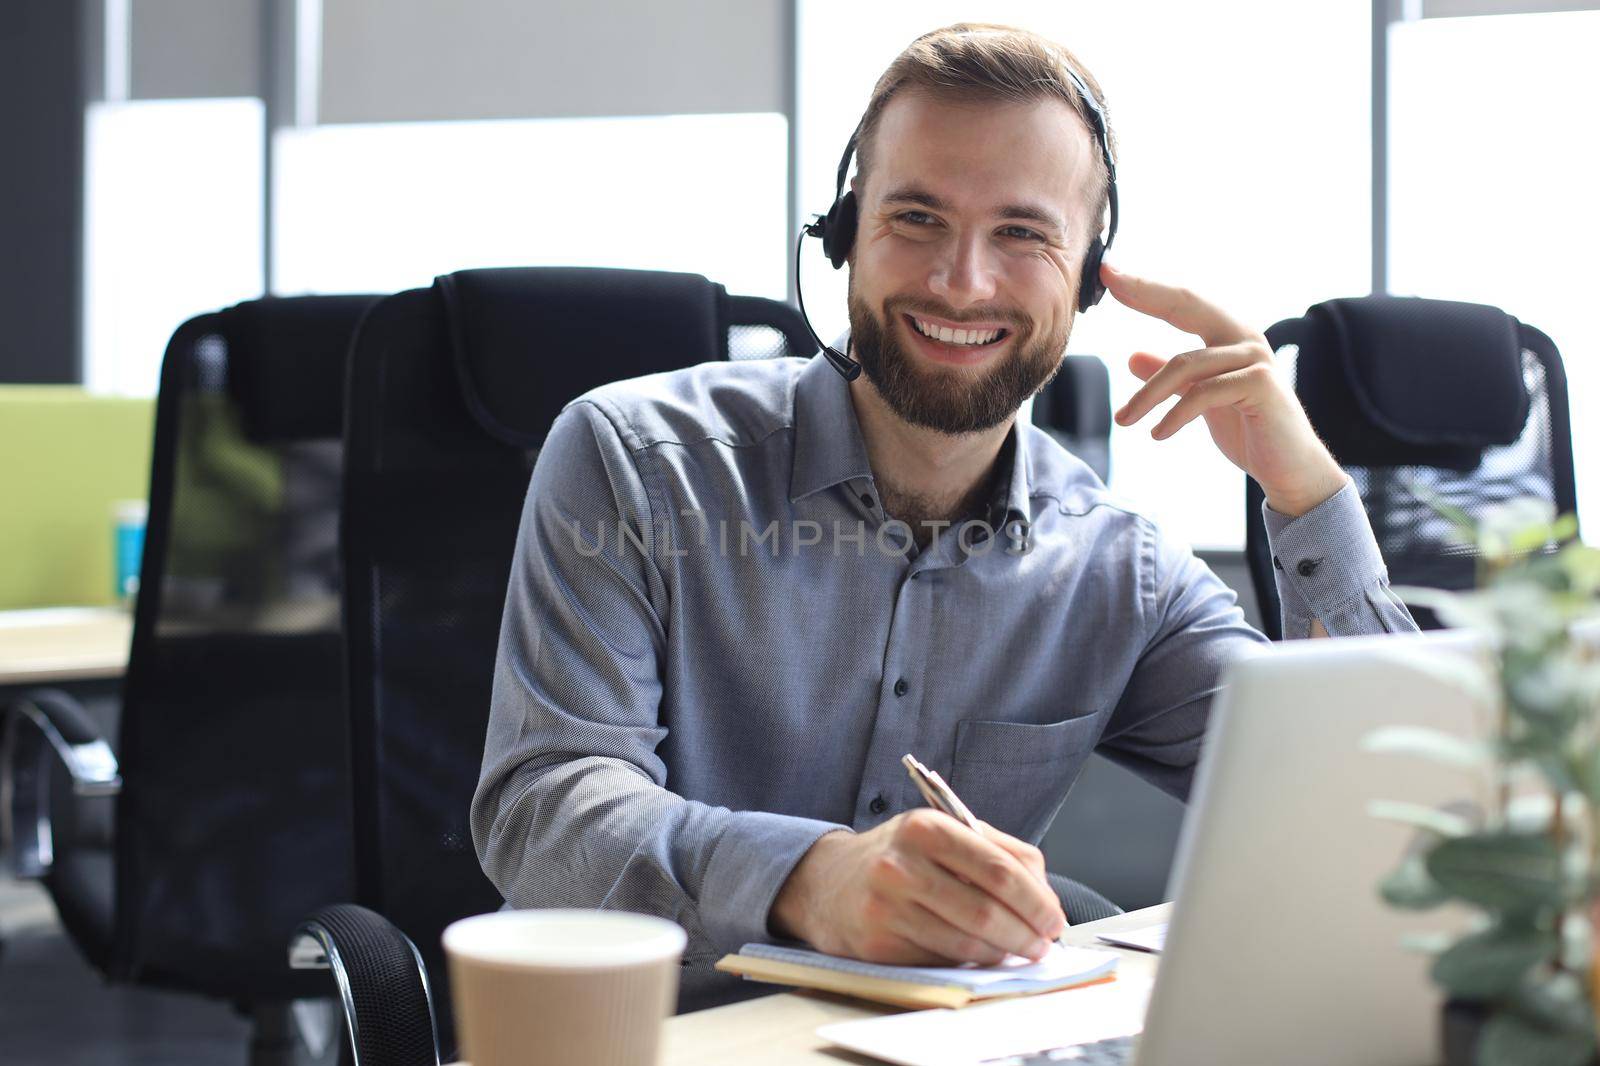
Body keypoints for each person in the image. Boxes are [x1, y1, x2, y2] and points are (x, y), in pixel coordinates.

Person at [471, 23, 1417, 1012]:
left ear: (1091, 274)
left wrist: (1307, 490)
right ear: (844, 235)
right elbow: (545, 819)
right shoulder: (632, 462)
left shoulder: (1116, 571)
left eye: (1021, 232)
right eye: (916, 217)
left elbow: (1381, 813)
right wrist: (809, 877)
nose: (962, 280)